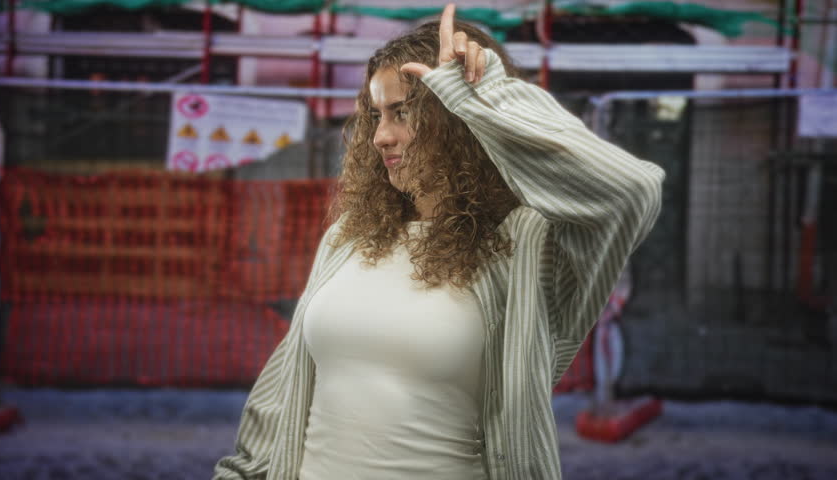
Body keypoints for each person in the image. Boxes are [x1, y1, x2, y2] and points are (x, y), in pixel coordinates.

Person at [213, 4, 664, 479]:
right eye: (376, 115)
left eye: (402, 112)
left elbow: (631, 191)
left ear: (455, 116)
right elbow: (282, 392)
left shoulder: (529, 245)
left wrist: (491, 96)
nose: (380, 137)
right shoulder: (348, 237)